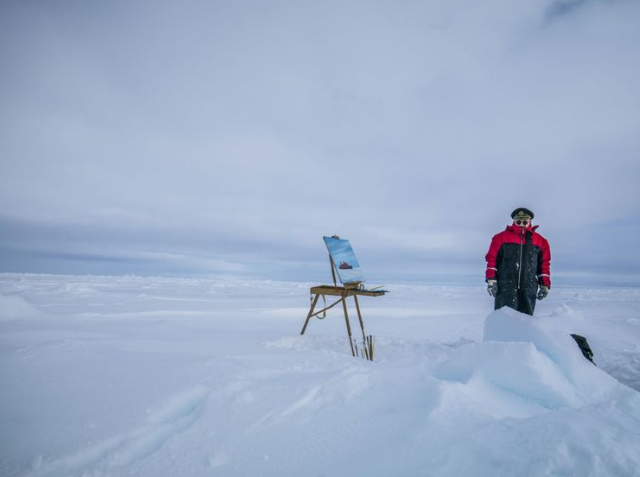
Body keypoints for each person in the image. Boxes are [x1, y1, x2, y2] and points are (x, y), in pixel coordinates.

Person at [485, 207, 551, 315]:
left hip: (529, 288)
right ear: (514, 222)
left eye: (525, 221)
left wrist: (544, 285)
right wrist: (491, 280)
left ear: (530, 221)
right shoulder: (500, 238)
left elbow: (544, 265)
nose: (521, 224)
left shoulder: (541, 241)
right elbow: (492, 260)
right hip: (505, 287)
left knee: (526, 322)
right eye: (518, 221)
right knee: (504, 320)